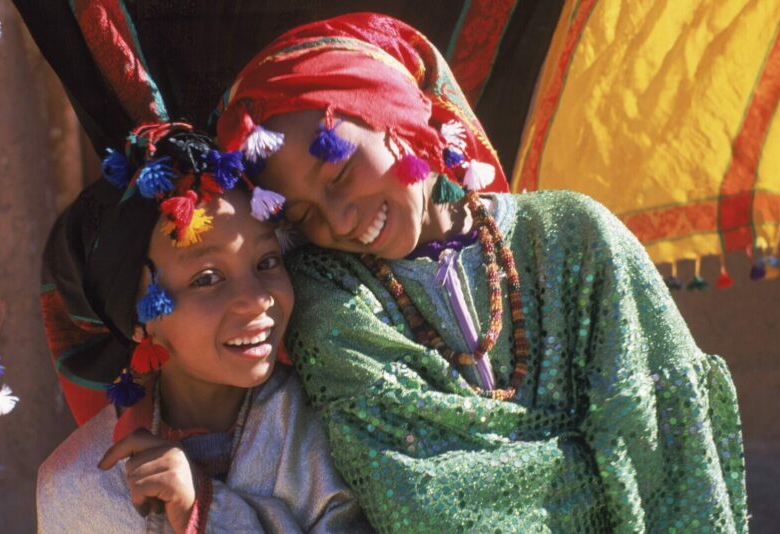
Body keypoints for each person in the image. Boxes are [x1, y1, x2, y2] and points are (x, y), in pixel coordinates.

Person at [215, 13, 749, 533]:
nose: (340, 219)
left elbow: (675, 453)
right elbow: (422, 497)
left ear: (397, 116)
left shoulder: (576, 237)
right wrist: (599, 462)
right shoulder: (329, 297)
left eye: (340, 173)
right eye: (303, 216)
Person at [36, 123, 370, 533]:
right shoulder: (76, 487)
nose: (257, 298)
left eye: (266, 262)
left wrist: (204, 510)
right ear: (140, 321)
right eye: (207, 278)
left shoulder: (337, 428)